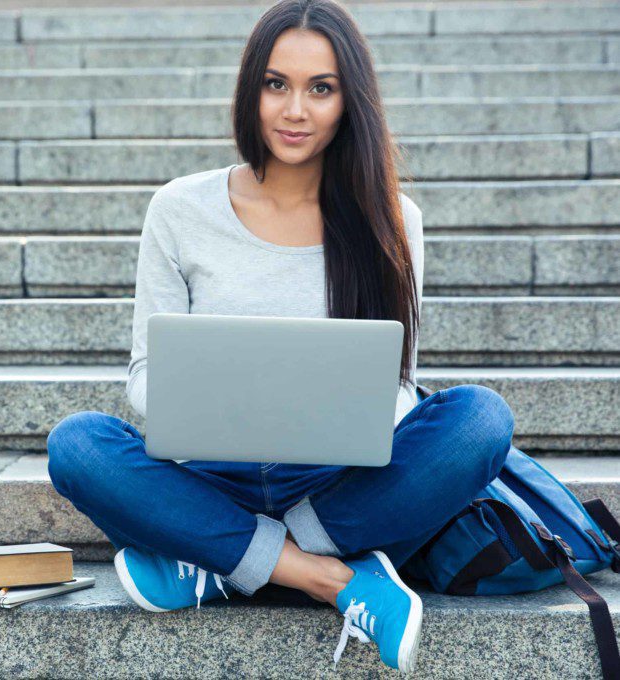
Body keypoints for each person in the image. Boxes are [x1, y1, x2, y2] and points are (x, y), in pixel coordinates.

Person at [46, 0, 515, 674]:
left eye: (320, 88)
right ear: (251, 91)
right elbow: (144, 378)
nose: (295, 110)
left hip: (335, 488)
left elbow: (401, 388)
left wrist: (345, 416)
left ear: (350, 101)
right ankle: (333, 578)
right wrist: (210, 408)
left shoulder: (392, 220)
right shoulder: (180, 209)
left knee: (480, 421)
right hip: (208, 481)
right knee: (79, 446)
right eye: (276, 84)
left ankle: (223, 563)